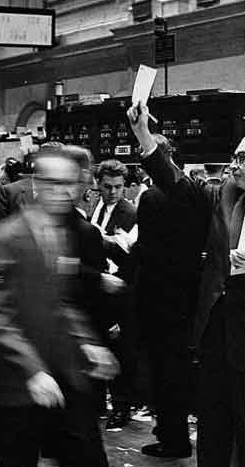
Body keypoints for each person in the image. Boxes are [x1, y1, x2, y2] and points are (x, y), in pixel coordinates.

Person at [127, 102, 245, 467]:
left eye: (241, 158)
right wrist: (143, 135)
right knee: (213, 431)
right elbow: (176, 182)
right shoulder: (223, 193)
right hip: (216, 333)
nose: (233, 165)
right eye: (233, 157)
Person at [0, 146, 119, 467]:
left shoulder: (62, 235)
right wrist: (33, 369)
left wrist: (89, 343)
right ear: (36, 184)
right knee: (9, 454)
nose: (63, 191)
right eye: (53, 183)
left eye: (69, 183)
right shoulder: (4, 237)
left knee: (83, 449)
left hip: (62, 368)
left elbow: (61, 301)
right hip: (17, 377)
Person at [136, 134, 210, 459]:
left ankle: (172, 437)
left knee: (164, 372)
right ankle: (172, 431)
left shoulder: (151, 197)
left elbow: (146, 251)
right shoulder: (196, 193)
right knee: (177, 369)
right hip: (187, 295)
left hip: (159, 297)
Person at [90, 159, 138, 428]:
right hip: (97, 286)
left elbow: (133, 258)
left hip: (120, 289)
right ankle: (98, 402)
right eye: (107, 187)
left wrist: (107, 243)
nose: (113, 192)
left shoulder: (130, 213)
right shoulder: (93, 207)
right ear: (98, 185)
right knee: (98, 344)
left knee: (121, 352)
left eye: (118, 187)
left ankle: (122, 407)